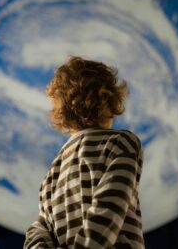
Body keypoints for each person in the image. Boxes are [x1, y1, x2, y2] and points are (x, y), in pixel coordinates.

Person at [24, 56, 145, 249]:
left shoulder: (52, 174)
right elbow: (109, 211)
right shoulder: (121, 144)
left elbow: (38, 230)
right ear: (106, 98)